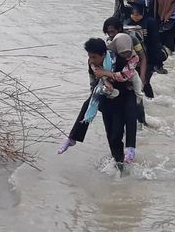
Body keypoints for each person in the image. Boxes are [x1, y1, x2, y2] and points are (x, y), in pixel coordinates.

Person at [58, 38, 138, 167]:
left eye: (94, 57)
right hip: (105, 98)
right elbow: (93, 81)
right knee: (108, 132)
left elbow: (127, 77)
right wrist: (102, 84)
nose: (91, 60)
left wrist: (106, 75)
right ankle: (119, 164)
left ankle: (128, 153)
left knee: (116, 136)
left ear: (103, 54)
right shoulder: (92, 64)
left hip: (122, 100)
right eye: (89, 56)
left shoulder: (120, 61)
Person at [103, 16, 149, 127]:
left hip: (134, 70)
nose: (110, 35)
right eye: (108, 32)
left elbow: (142, 58)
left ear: (119, 29)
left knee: (138, 103)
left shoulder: (132, 39)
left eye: (112, 32)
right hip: (119, 74)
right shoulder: (109, 41)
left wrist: (142, 79)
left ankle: (142, 124)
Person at [124, 0, 169, 97]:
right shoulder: (127, 22)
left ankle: (150, 101)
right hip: (133, 57)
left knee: (144, 81)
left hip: (149, 57)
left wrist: (157, 63)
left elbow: (155, 43)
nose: (135, 14)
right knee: (134, 81)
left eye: (138, 11)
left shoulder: (150, 22)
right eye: (133, 10)